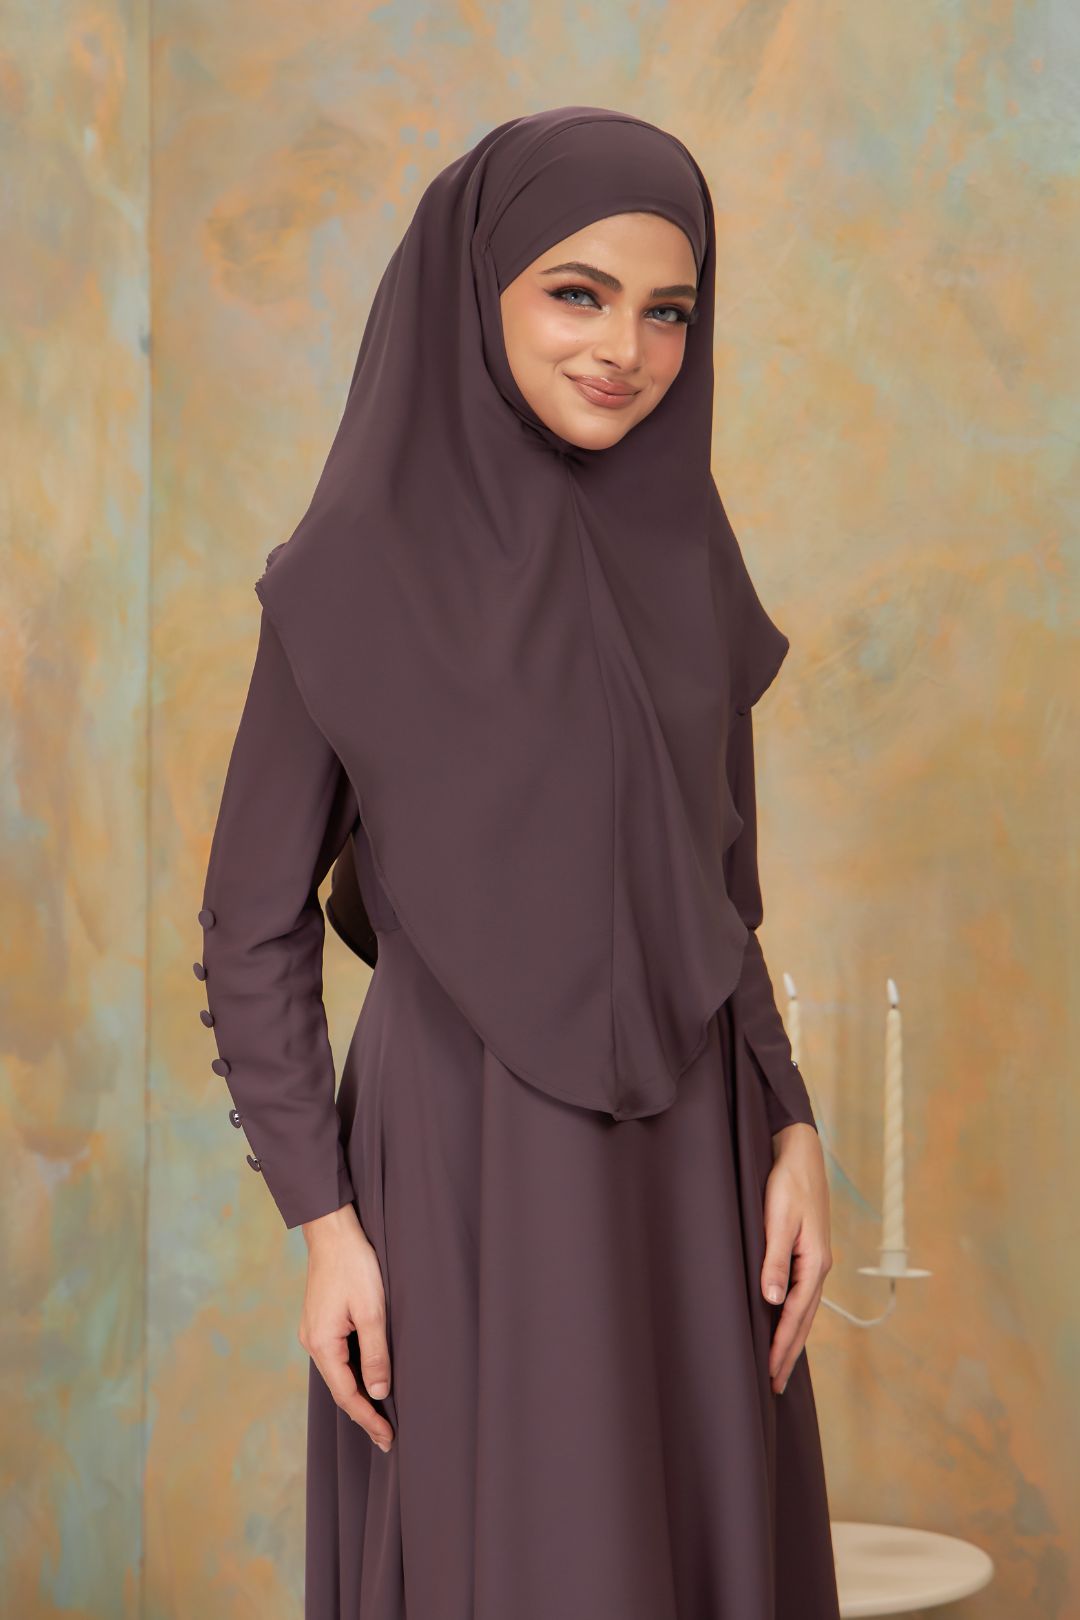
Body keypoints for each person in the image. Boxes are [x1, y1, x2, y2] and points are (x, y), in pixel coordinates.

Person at [195, 105, 841, 1619]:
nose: (626, 349)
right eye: (577, 293)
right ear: (475, 284)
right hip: (464, 1150)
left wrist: (792, 1124)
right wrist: (324, 1226)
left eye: (669, 310)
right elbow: (249, 925)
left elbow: (717, 888)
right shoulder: (352, 567)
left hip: (696, 1142)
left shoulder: (684, 548)